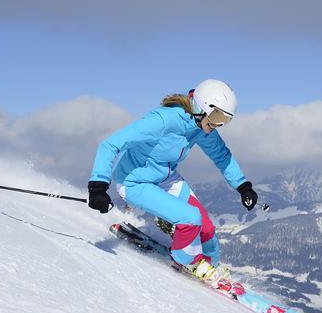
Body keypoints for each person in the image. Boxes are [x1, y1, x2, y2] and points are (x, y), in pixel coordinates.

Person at [86, 79, 259, 281]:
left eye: (225, 120)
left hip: (167, 179)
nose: (218, 125)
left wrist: (243, 186)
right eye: (217, 117)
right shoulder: (163, 120)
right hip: (135, 182)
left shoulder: (202, 126)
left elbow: (222, 156)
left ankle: (212, 268)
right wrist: (97, 187)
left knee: (207, 231)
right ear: (203, 106)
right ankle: (187, 261)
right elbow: (111, 144)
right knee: (190, 218)